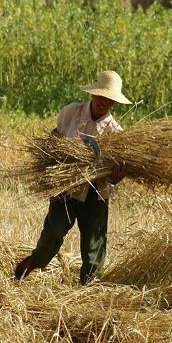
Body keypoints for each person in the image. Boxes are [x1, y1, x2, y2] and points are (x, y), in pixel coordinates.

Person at [15, 70, 131, 285]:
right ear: (94, 94)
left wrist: (115, 178)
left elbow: (115, 176)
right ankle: (32, 263)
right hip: (66, 191)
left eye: (110, 99)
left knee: (93, 249)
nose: (105, 102)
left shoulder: (116, 133)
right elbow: (55, 138)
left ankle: (86, 289)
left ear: (114, 102)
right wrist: (51, 162)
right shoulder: (70, 113)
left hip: (95, 195)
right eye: (101, 96)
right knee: (53, 233)